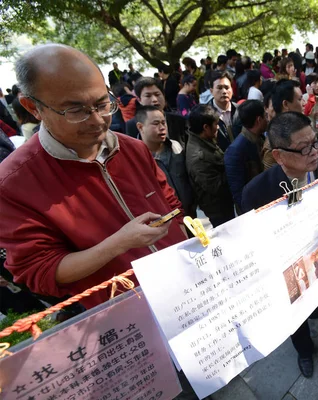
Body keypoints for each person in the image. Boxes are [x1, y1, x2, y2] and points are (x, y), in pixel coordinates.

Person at [0, 44, 187, 309]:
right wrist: (118, 244)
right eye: (76, 111)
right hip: (127, 315)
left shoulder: (132, 148)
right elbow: (41, 271)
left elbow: (171, 205)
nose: (98, 120)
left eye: (102, 104)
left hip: (186, 290)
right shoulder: (13, 184)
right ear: (33, 107)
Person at [241, 112, 318, 378]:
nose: (314, 151)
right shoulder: (256, 193)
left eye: (316, 141)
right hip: (289, 272)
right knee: (296, 318)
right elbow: (253, 242)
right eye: (304, 147)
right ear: (279, 155)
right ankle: (304, 351)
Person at [135, 105, 196, 217]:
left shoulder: (175, 147)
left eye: (164, 123)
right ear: (140, 127)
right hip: (166, 218)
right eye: (156, 123)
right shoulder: (136, 159)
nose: (162, 127)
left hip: (190, 212)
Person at [187, 104, 235, 227]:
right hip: (218, 208)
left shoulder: (203, 139)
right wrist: (232, 166)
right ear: (206, 127)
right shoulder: (199, 158)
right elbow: (215, 187)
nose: (218, 127)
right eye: (216, 124)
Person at [224, 100, 267, 212]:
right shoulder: (235, 151)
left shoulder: (261, 138)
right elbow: (238, 193)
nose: (268, 119)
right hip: (254, 209)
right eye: (265, 116)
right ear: (259, 120)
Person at [126, 77, 187, 145]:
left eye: (157, 94)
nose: (154, 99)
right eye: (148, 96)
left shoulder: (179, 120)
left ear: (163, 95)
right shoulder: (132, 125)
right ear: (139, 99)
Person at [262, 79, 304, 169]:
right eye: (300, 99)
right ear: (285, 104)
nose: (304, 103)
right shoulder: (272, 145)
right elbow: (273, 180)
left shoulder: (301, 128)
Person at [208, 70, 241, 152]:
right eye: (219, 88)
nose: (224, 91)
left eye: (227, 88)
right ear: (211, 91)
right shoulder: (205, 114)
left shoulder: (240, 110)